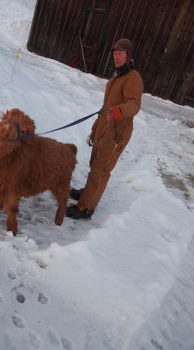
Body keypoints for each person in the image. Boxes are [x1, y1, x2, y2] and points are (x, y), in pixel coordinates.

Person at [66, 38, 144, 219]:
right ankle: (87, 192)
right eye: (115, 54)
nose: (116, 57)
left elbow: (134, 105)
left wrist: (117, 112)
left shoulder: (133, 78)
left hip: (117, 132)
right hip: (104, 127)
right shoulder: (116, 77)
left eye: (120, 54)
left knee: (101, 169)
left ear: (128, 56)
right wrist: (95, 128)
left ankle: (85, 208)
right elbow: (105, 106)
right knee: (95, 164)